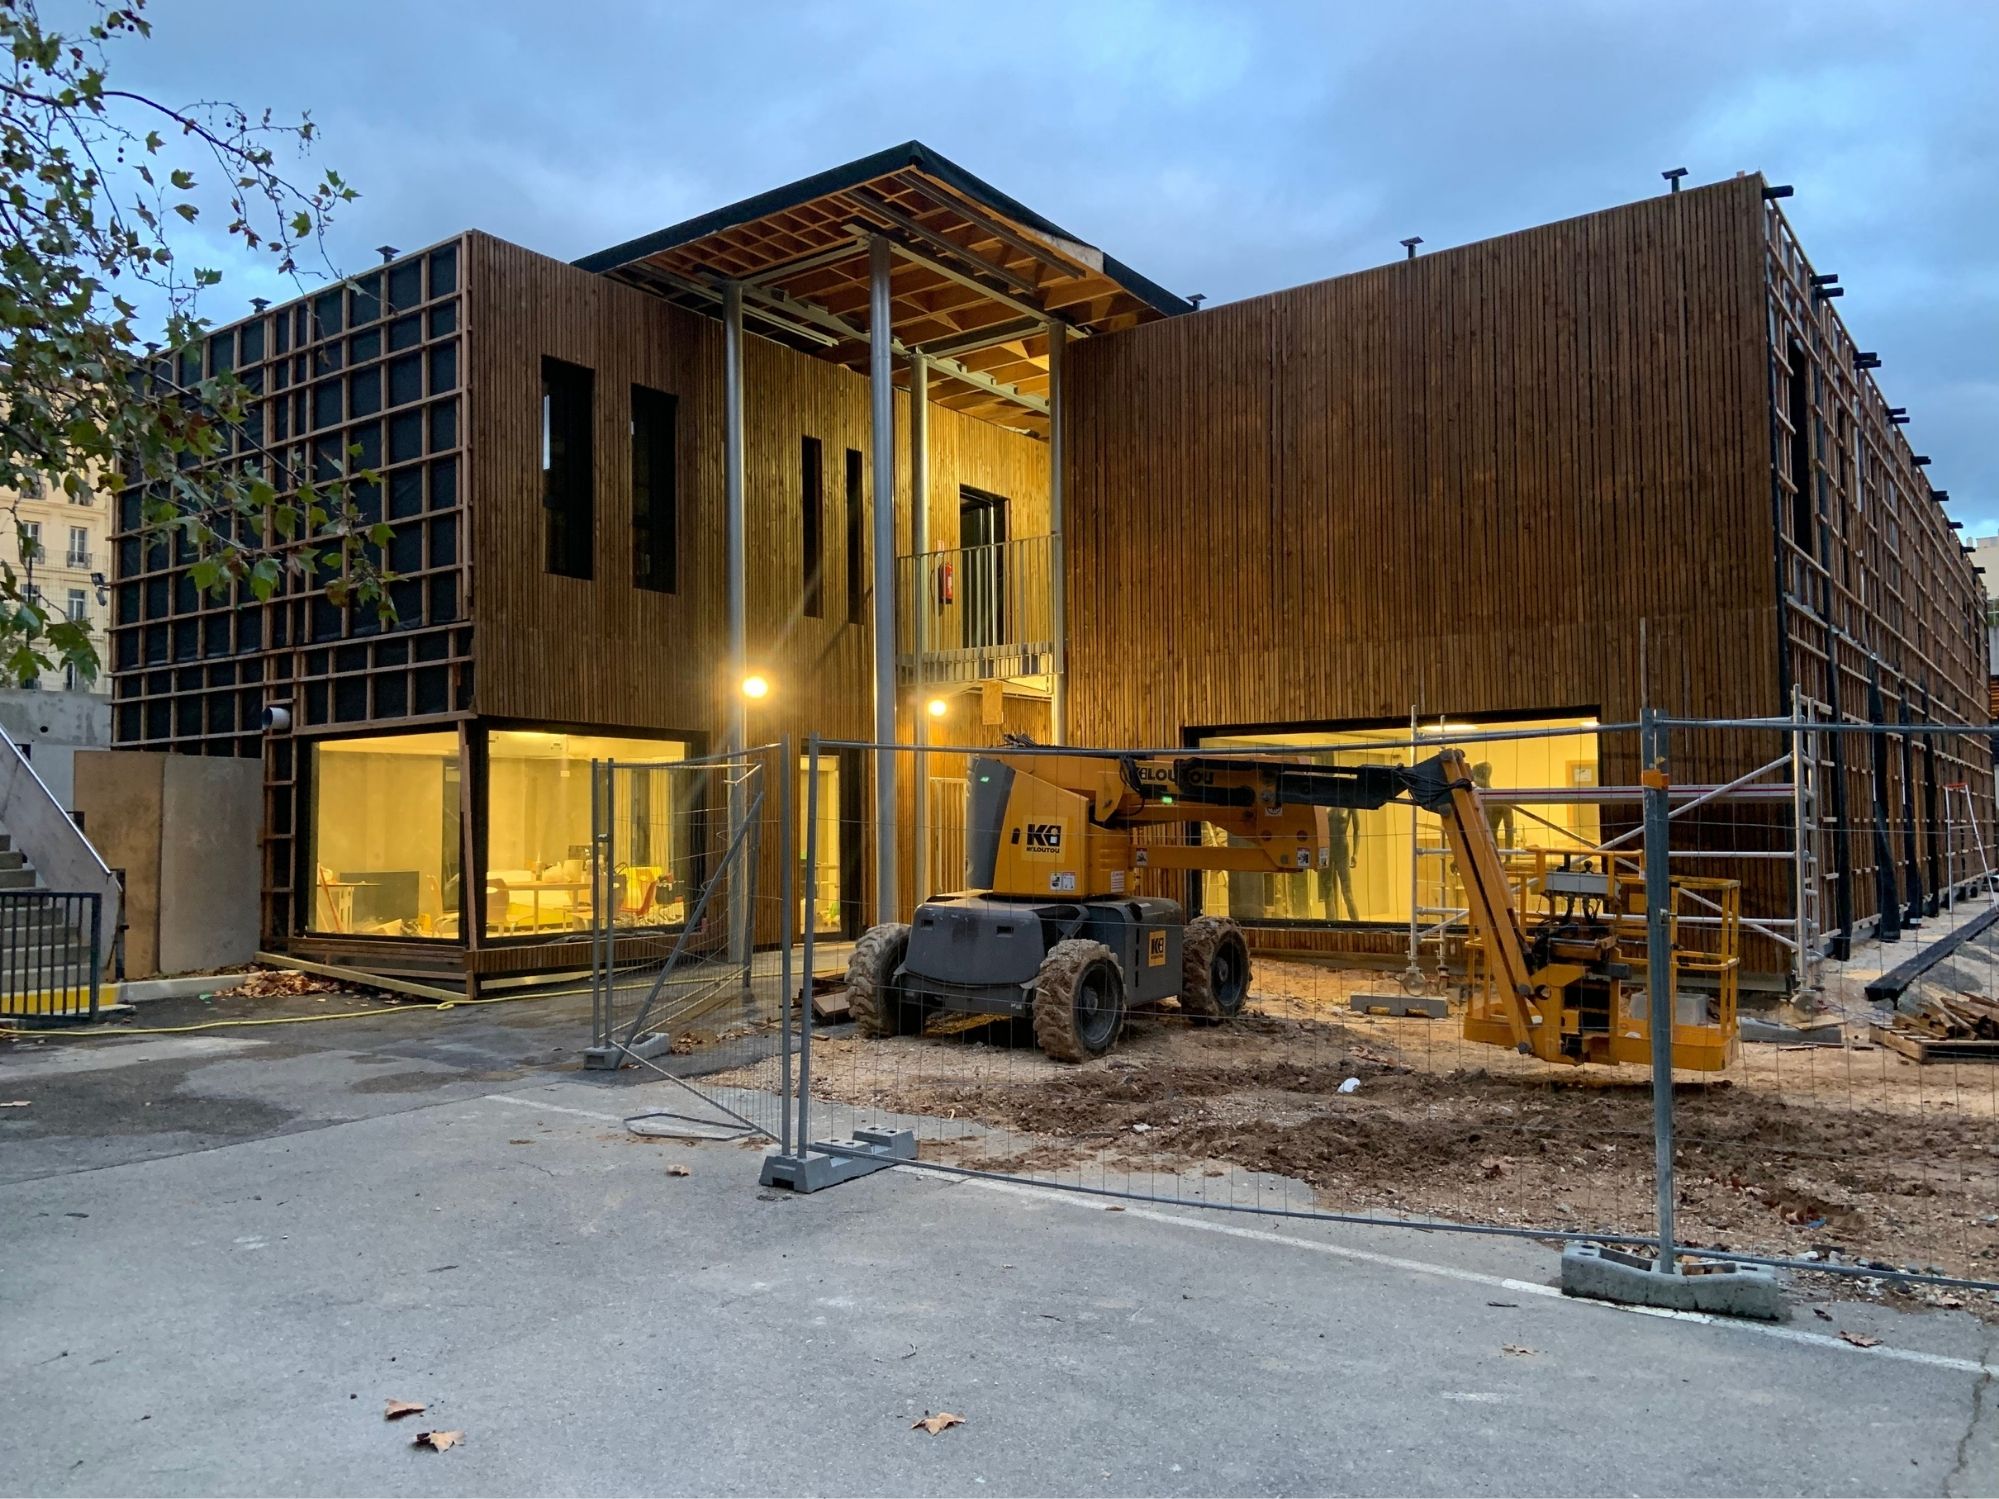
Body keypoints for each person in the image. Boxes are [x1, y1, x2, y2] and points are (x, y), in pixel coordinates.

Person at [1470, 761, 1516, 849]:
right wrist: (1508, 858)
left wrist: (1508, 859)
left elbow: (1509, 830)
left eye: (1474, 775)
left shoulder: (1499, 800)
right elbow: (1509, 830)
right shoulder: (1499, 799)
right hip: (1482, 846)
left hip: (1482, 847)